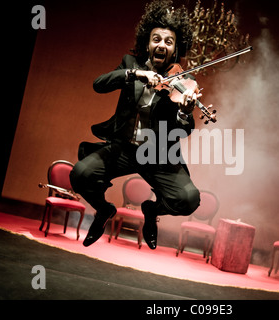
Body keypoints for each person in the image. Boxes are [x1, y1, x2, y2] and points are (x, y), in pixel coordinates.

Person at [69, 0, 201, 250]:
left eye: (168, 42)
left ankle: (152, 210)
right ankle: (104, 209)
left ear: (175, 50)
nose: (161, 44)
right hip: (123, 149)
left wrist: (184, 112)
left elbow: (185, 128)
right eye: (156, 39)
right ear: (148, 43)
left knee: (188, 199)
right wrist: (135, 74)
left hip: (158, 154)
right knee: (80, 175)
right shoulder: (131, 64)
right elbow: (99, 84)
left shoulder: (184, 81)